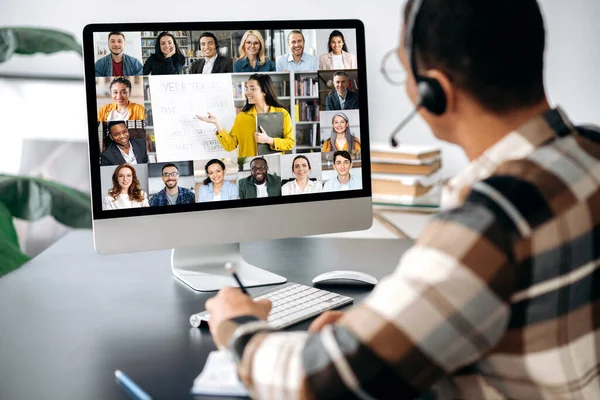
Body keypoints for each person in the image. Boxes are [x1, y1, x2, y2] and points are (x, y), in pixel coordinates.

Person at [204, 1, 600, 398]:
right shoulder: (592, 151)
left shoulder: (490, 222)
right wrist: (365, 335)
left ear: (434, 92)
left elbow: (324, 381)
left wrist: (238, 328)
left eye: (403, 68)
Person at [196, 74, 294, 157]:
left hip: (273, 164)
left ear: (265, 91)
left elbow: (290, 143)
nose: (247, 93)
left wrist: (269, 140)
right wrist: (217, 124)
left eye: (252, 88)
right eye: (246, 89)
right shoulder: (242, 117)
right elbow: (230, 146)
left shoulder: (282, 113)